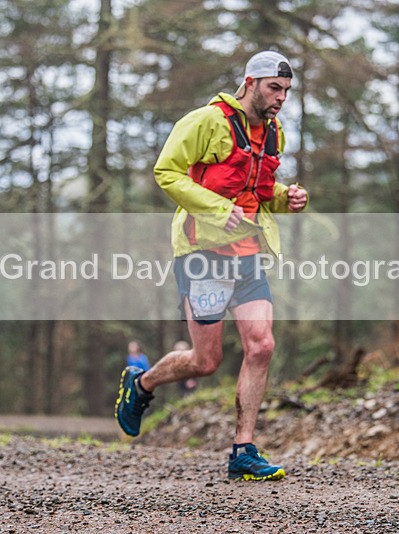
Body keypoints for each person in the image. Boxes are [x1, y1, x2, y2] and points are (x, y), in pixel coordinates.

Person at [115, 50, 308, 481]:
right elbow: (167, 171)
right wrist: (217, 210)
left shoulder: (273, 131)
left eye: (287, 91)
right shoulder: (207, 121)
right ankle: (141, 384)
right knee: (206, 361)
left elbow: (256, 190)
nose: (281, 98)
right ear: (250, 82)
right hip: (203, 255)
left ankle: (243, 450)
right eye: (274, 88)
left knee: (261, 345)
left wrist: (286, 197)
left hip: (247, 255)